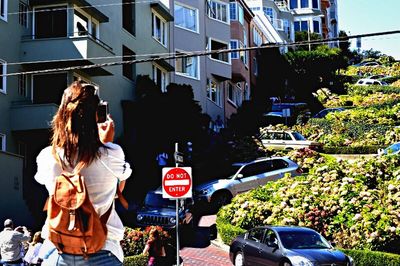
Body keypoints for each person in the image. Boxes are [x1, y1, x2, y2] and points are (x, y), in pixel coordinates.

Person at [34, 81, 132, 265]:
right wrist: (107, 143)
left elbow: (46, 187)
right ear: (97, 115)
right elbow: (119, 188)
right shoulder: (112, 154)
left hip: (57, 251)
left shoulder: (47, 156)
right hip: (103, 250)